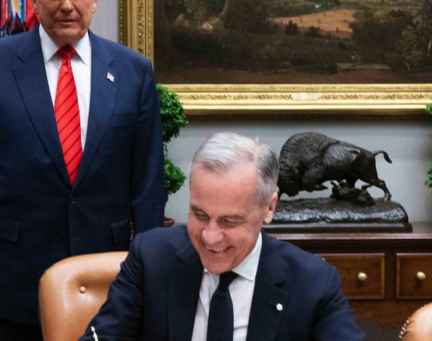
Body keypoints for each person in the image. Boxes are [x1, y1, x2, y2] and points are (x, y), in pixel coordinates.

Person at [0, 0, 165, 339]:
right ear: (33, 0)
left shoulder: (132, 71)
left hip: (108, 281)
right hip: (13, 281)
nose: (66, 4)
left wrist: (152, 269)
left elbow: (148, 184)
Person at [80, 133, 365, 341]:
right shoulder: (151, 257)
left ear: (269, 207)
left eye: (230, 221)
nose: (211, 237)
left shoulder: (313, 283)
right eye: (200, 214)